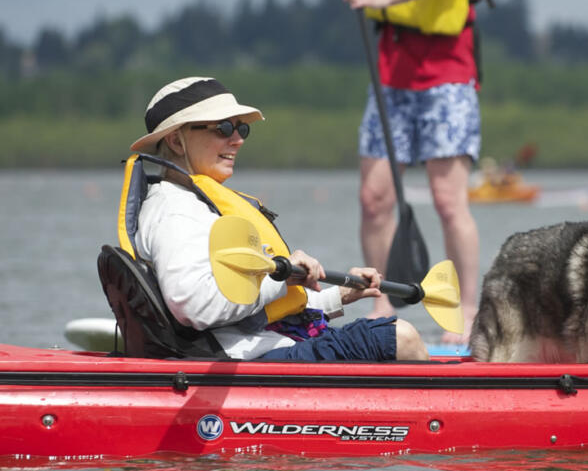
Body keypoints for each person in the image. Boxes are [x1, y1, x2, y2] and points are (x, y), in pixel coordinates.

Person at [308, 0, 490, 343]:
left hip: (446, 82)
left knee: (448, 200)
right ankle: (379, 304)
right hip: (389, 81)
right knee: (375, 199)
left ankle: (470, 311)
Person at [125, 76, 427, 362]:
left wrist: (341, 296)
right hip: (246, 360)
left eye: (241, 129)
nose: (237, 139)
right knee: (401, 337)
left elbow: (257, 308)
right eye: (223, 128)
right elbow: (194, 307)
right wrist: (278, 277)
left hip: (265, 346)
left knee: (394, 335)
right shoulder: (175, 211)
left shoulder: (192, 203)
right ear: (177, 142)